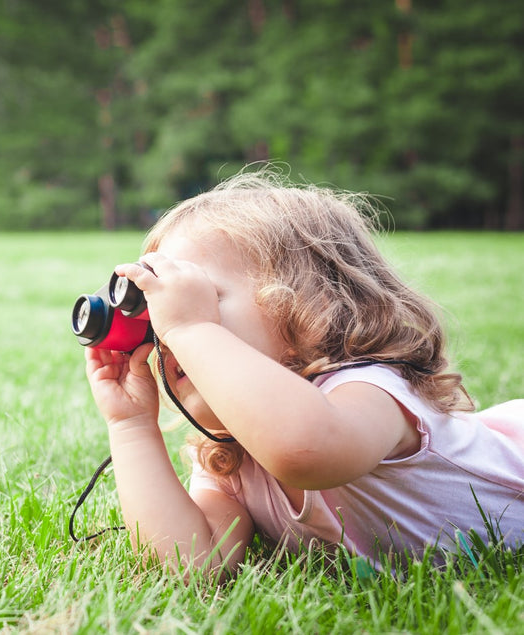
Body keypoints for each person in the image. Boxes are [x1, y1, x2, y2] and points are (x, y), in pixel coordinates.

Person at [84, 167, 524, 576]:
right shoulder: (227, 455)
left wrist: (191, 326)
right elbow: (195, 562)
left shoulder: (369, 392)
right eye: (159, 311)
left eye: (201, 296)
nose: (166, 326)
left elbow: (306, 449)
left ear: (312, 306)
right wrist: (131, 426)